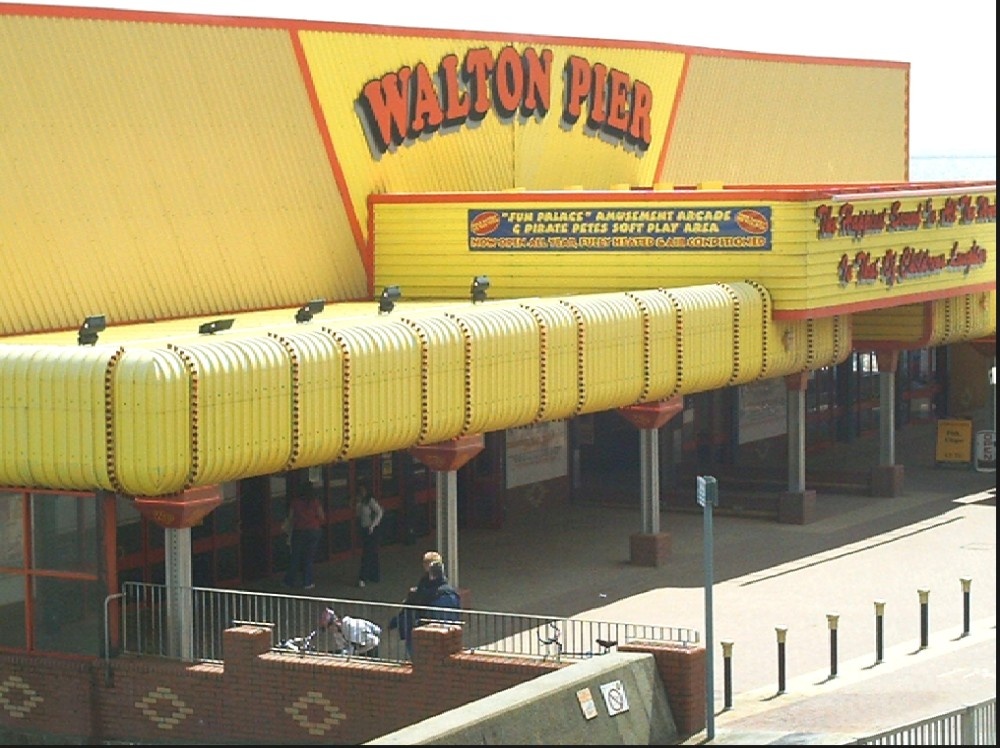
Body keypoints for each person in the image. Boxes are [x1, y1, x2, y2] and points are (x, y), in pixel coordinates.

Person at [282, 483, 325, 590]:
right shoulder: (315, 502)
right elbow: (322, 516)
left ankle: (289, 581)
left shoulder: (295, 502)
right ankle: (307, 582)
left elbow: (291, 518)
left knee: (295, 557)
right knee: (308, 557)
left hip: (299, 531)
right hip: (314, 531)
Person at [355, 481, 384, 587]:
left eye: (363, 490)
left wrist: (373, 525)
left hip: (371, 529)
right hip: (364, 528)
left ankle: (364, 577)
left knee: (368, 553)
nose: (362, 492)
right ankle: (373, 575)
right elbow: (358, 514)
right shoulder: (361, 502)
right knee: (371, 553)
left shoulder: (370, 501)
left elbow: (379, 512)